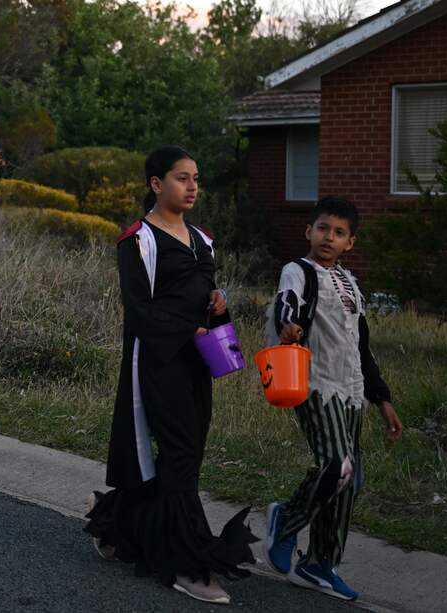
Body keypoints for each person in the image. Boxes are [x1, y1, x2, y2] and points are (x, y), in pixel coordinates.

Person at [84, 146, 257, 606]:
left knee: (189, 452)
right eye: (182, 178)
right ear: (156, 185)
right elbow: (139, 312)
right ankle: (187, 563)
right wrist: (187, 327)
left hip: (196, 359)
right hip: (158, 360)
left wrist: (218, 305)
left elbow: (200, 293)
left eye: (195, 178)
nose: (192, 186)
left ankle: (115, 524)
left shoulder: (203, 240)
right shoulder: (137, 239)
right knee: (180, 452)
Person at [263, 196, 403, 601]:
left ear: (350, 243)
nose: (329, 237)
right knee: (336, 466)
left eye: (339, 232)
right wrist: (288, 324)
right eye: (323, 228)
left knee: (349, 480)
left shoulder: (352, 285)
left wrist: (383, 400)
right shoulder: (298, 270)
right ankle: (286, 520)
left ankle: (320, 564)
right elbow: (288, 302)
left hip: (352, 390)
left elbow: (362, 347)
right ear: (308, 231)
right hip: (313, 382)